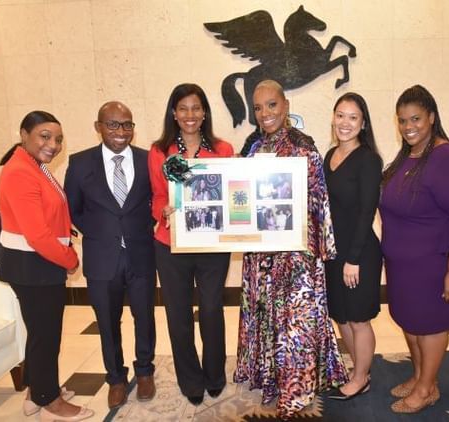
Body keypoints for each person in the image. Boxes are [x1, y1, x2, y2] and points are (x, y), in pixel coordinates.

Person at [234, 80, 347, 420]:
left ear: (284, 106)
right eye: (258, 108)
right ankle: (272, 381)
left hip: (296, 254)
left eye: (271, 105)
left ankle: (295, 395)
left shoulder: (304, 147)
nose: (265, 113)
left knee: (294, 325)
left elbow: (318, 200)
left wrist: (319, 247)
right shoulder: (252, 148)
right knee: (268, 318)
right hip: (260, 254)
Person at [379, 85, 449, 414]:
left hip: (433, 265)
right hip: (404, 267)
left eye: (415, 118)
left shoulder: (446, 158)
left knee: (430, 327)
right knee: (411, 323)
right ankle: (419, 377)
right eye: (402, 120)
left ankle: (427, 388)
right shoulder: (409, 155)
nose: (408, 126)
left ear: (431, 117)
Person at [0, 111, 94, 422]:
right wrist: (70, 258)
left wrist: (67, 230)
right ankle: (48, 399)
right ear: (24, 134)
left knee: (41, 333)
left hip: (36, 263)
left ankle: (36, 390)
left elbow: (49, 208)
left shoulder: (31, 165)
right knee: (46, 335)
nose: (53, 144)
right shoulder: (19, 172)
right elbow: (37, 235)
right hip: (33, 265)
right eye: (45, 136)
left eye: (58, 139)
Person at [64, 101, 157, 410]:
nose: (121, 131)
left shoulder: (147, 160)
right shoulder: (79, 164)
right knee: (107, 322)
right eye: (113, 124)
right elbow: (73, 209)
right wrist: (101, 232)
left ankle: (144, 372)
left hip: (141, 253)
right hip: (101, 258)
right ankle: (116, 378)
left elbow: (156, 201)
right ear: (98, 127)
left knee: (144, 317)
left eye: (127, 124)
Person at [149, 83, 234, 405]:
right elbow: (157, 196)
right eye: (183, 108)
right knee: (178, 313)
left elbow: (232, 192)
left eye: (196, 108)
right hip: (170, 244)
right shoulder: (160, 151)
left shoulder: (223, 149)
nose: (190, 115)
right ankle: (191, 380)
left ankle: (215, 375)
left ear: (205, 112)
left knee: (212, 309)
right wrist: (163, 210)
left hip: (213, 244)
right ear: (174, 112)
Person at [323, 93, 382, 400]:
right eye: (340, 115)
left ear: (363, 123)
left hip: (359, 254)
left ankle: (360, 378)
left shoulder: (369, 160)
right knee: (341, 315)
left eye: (353, 117)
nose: (345, 123)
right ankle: (359, 369)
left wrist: (353, 259)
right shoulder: (329, 155)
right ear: (333, 117)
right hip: (333, 253)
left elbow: (366, 211)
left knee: (359, 318)